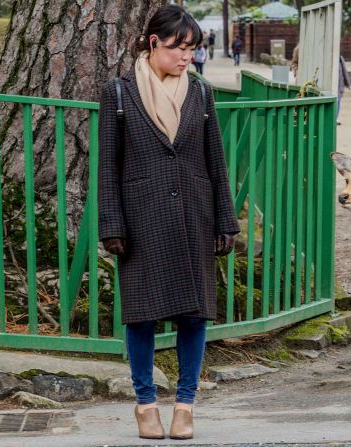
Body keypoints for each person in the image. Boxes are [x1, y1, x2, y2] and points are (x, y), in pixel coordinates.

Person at [98, 4, 239, 440]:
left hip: (194, 215)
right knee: (140, 316)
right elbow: (108, 167)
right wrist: (112, 224)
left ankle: (185, 405)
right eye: (180, 48)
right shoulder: (119, 93)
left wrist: (225, 220)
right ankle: (145, 404)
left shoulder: (200, 93)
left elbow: (215, 160)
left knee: (194, 316)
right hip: (141, 218)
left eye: (193, 50)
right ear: (154, 43)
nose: (188, 58)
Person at [337, 55, 351, 125]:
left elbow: (344, 71)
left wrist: (348, 84)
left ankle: (336, 118)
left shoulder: (340, 58)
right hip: (332, 84)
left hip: (339, 84)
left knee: (338, 101)